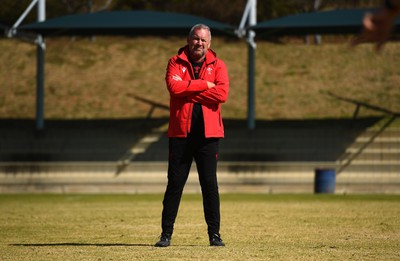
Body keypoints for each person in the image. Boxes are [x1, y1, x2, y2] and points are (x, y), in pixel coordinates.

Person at [155, 24, 229, 247]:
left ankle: (214, 235)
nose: (199, 43)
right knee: (175, 184)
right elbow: (173, 89)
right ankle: (166, 235)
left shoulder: (219, 65)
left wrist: (189, 92)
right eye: (196, 39)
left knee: (210, 185)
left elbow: (222, 94)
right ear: (188, 40)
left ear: (210, 43)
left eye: (204, 40)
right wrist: (204, 85)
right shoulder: (174, 62)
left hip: (208, 136)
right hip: (180, 135)